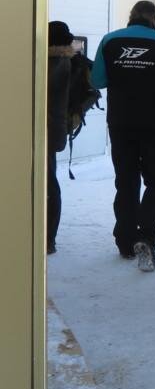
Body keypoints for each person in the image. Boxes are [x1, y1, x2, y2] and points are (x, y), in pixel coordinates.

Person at [92, 1, 155, 272]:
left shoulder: (109, 42)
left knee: (126, 180)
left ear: (130, 16)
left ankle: (125, 242)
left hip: (121, 123)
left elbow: (97, 81)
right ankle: (147, 237)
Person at [46, 21, 75, 254]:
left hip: (40, 130)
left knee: (46, 185)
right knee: (49, 184)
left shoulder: (49, 63)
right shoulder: (69, 62)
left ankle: (45, 238)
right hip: (54, 130)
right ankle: (48, 239)